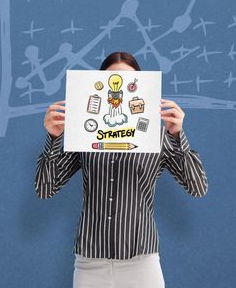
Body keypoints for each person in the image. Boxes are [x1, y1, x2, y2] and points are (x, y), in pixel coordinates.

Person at [34, 51, 208, 288]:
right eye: (111, 82)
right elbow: (45, 189)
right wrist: (53, 139)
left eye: (129, 83)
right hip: (89, 263)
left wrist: (177, 135)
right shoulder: (83, 134)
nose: (119, 90)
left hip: (141, 261)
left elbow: (198, 187)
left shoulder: (158, 136)